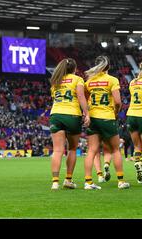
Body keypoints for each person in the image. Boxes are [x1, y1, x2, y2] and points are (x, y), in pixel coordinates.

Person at [83, 56, 130, 190]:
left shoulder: (89, 81)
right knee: (115, 149)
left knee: (91, 150)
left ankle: (88, 182)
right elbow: (118, 102)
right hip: (107, 117)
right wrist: (116, 112)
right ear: (108, 67)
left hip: (93, 117)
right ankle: (121, 181)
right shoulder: (112, 80)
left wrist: (87, 113)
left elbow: (85, 99)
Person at [49, 58, 90, 190]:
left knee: (57, 150)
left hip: (56, 115)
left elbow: (54, 98)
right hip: (72, 115)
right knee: (72, 149)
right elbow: (80, 96)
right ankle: (68, 180)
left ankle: (55, 182)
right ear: (74, 69)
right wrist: (87, 113)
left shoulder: (55, 81)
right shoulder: (77, 79)